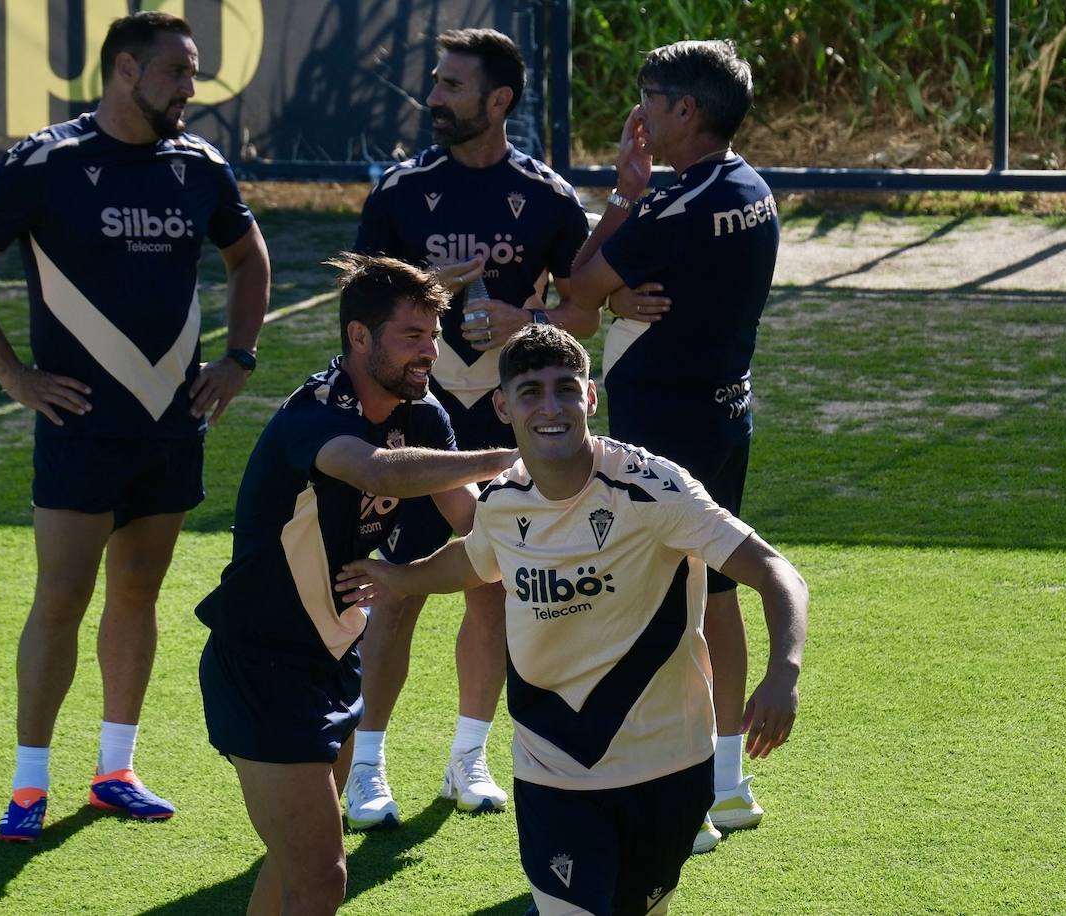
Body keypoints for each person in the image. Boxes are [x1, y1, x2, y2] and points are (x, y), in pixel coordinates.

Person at [0, 10, 271, 842]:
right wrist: (13, 375)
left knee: (138, 594)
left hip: (170, 424)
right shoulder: (49, 161)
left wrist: (239, 359)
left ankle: (115, 769)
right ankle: (27, 784)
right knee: (62, 599)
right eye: (179, 72)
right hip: (80, 427)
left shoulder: (200, 166)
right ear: (125, 71)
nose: (193, 88)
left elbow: (249, 257)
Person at [337, 325, 806, 915]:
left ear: (590, 397)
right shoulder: (503, 499)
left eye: (565, 388)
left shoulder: (653, 490)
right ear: (502, 405)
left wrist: (783, 672)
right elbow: (477, 557)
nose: (551, 406)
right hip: (553, 762)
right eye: (530, 391)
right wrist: (400, 578)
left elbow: (774, 570)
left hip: (668, 761)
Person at [194, 253, 518, 915]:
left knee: (294, 870)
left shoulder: (422, 414)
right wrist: (514, 453)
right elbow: (377, 473)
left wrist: (555, 537)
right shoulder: (314, 415)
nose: (430, 352)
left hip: (333, 663)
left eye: (434, 335)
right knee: (323, 876)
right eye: (411, 337)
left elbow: (472, 522)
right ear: (359, 338)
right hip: (261, 667)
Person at [349, 27, 596, 828]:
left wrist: (531, 315)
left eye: (451, 85)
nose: (433, 97)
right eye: (434, 81)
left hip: (506, 425)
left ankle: (467, 761)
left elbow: (587, 310)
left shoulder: (551, 197)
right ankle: (366, 769)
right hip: (415, 428)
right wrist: (428, 292)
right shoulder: (398, 193)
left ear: (499, 101)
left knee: (492, 591)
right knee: (395, 594)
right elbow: (356, 317)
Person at [566, 39, 782, 853]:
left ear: (685, 110)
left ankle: (681, 801)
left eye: (649, 98)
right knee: (715, 594)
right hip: (727, 418)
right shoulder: (750, 186)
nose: (639, 114)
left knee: (658, 614)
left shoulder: (671, 208)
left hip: (663, 431)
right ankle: (728, 785)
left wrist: (623, 200)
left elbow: (573, 290)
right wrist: (625, 283)